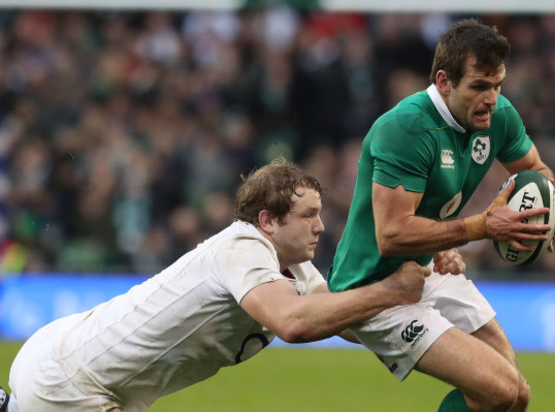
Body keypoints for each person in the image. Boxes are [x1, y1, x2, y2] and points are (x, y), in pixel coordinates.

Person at [6, 159, 469, 412]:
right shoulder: (242, 247)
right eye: (309, 215)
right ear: (267, 220)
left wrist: (421, 268)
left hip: (75, 363)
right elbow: (293, 323)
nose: (321, 228)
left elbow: (343, 319)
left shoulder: (296, 269)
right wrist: (392, 291)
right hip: (70, 384)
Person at [327, 18, 555, 412]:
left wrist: (549, 208)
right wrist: (481, 227)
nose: (491, 98)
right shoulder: (407, 128)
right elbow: (391, 235)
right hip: (371, 288)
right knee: (499, 390)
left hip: (428, 267)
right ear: (444, 81)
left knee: (516, 395)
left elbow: (537, 171)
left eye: (497, 85)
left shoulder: (498, 118)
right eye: (478, 87)